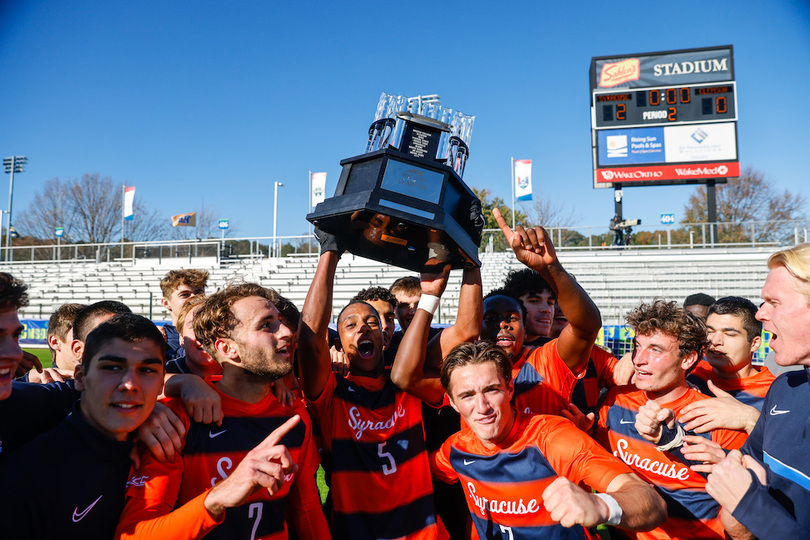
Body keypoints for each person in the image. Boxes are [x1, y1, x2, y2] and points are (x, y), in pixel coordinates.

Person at [116, 283, 328, 540]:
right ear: (228, 349)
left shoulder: (293, 412)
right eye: (266, 324)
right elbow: (133, 535)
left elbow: (306, 509)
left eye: (282, 321)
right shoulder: (176, 418)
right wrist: (218, 498)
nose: (287, 331)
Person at [431, 341, 667, 538]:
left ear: (510, 389)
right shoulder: (456, 448)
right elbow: (419, 475)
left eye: (492, 390)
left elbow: (651, 503)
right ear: (452, 402)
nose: (482, 407)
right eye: (467, 396)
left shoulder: (553, 438)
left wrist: (601, 506)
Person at [298, 229, 443, 539]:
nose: (363, 325)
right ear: (340, 339)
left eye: (373, 322)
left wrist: (433, 294)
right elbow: (310, 340)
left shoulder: (406, 382)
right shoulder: (333, 394)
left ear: (384, 337)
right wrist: (330, 251)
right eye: (350, 324)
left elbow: (464, 333)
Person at [0, 313, 167, 539]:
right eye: (112, 368)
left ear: (161, 383)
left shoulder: (179, 441)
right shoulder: (26, 478)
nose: (130, 385)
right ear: (79, 377)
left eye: (147, 370)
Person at [597, 300, 747, 540]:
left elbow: (746, 507)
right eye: (637, 346)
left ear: (687, 360)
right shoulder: (616, 401)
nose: (639, 359)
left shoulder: (716, 417)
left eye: (655, 350)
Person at [706, 243, 810, 539]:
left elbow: (746, 502)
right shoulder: (785, 390)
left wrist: (752, 506)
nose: (761, 314)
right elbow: (739, 485)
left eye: (773, 302)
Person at [479, 208, 603, 417]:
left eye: (512, 317)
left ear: (523, 320)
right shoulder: (465, 366)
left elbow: (587, 328)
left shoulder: (547, 358)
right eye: (491, 318)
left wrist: (550, 267)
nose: (503, 324)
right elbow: (406, 377)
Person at [680, 296, 774, 434]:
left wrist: (750, 419)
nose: (715, 341)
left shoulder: (773, 392)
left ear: (754, 343)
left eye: (729, 334)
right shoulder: (688, 371)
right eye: (710, 331)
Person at [159, 269, 208, 359]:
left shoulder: (217, 333)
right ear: (166, 303)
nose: (194, 298)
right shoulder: (159, 339)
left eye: (198, 293)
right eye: (185, 295)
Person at [502, 267, 556, 347]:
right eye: (534, 301)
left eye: (550, 303)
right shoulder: (492, 346)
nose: (547, 309)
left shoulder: (558, 351)